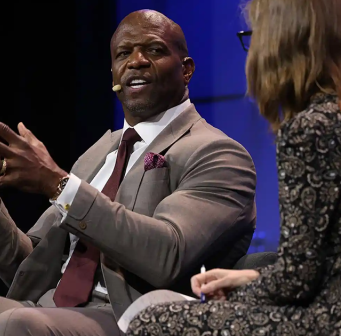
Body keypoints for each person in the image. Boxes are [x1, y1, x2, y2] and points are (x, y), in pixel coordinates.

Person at [0, 10, 256, 336]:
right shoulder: (101, 151)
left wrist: (57, 183)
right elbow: (32, 264)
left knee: (19, 323)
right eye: (122, 54)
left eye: (153, 49)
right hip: (44, 310)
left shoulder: (217, 153)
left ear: (185, 69)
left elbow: (167, 255)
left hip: (130, 319)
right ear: (113, 76)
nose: (136, 61)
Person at [125, 1, 341, 335]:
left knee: (152, 320)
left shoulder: (311, 129)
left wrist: (234, 300)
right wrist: (251, 278)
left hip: (327, 320)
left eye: (256, 37)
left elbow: (297, 280)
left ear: (282, 44)